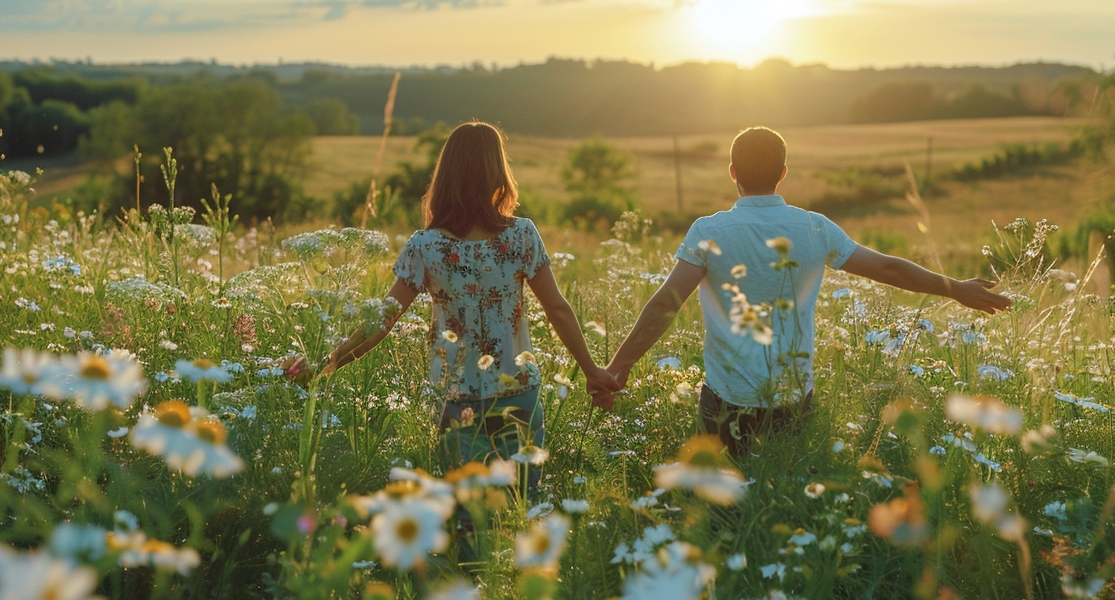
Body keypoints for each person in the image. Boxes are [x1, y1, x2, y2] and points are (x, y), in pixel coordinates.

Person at [592, 126, 1011, 455]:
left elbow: (667, 302)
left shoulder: (709, 231)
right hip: (793, 398)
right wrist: (955, 288)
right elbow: (886, 267)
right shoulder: (814, 227)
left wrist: (620, 366)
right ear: (783, 173)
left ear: (733, 173)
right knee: (788, 503)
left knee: (721, 509)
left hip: (726, 400)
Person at [324, 121, 618, 492]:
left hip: (455, 396)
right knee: (519, 505)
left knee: (467, 515)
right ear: (499, 172)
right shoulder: (521, 234)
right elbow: (557, 308)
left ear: (445, 176)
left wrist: (328, 365)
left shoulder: (425, 246)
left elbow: (382, 322)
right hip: (518, 390)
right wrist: (592, 371)